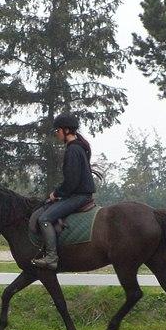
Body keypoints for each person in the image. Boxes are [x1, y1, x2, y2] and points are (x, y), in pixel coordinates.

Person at [32, 113, 96, 270]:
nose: (56, 134)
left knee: (44, 218)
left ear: (66, 130)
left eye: (57, 130)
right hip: (80, 194)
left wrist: (56, 193)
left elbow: (72, 182)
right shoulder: (79, 148)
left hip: (78, 196)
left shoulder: (73, 150)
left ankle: (51, 258)